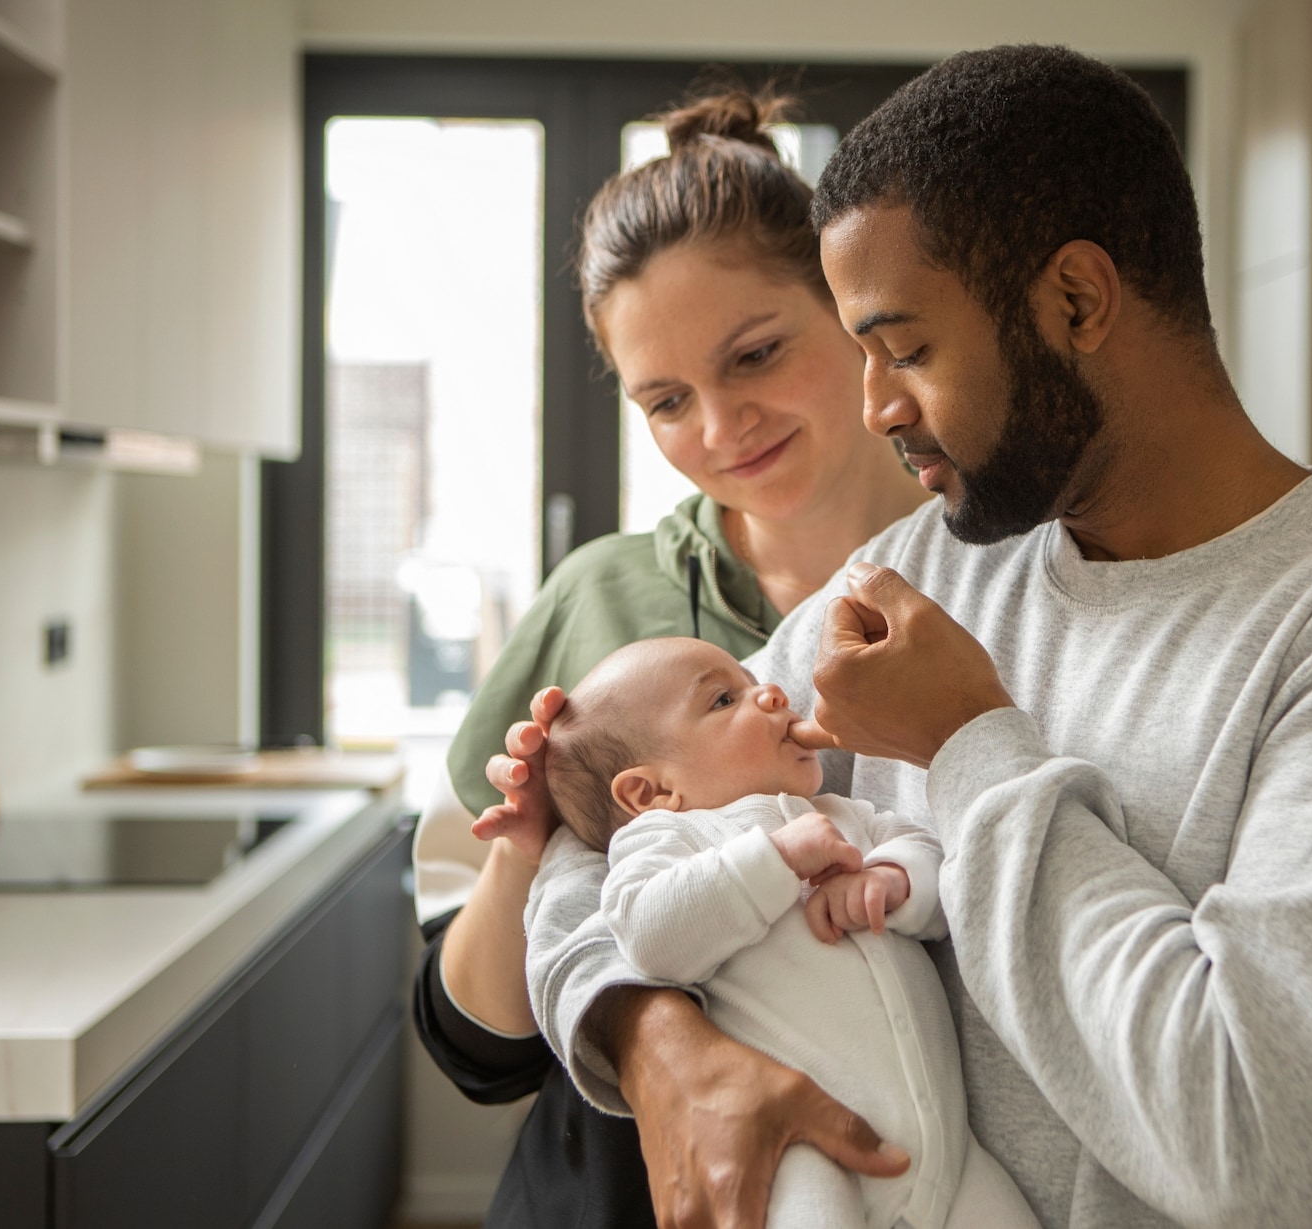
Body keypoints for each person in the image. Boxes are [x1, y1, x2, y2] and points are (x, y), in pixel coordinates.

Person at [494, 45, 1312, 1229]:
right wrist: (650, 1035)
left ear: (1075, 300)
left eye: (904, 347)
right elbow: (619, 824)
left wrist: (969, 741)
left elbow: (1252, 1142)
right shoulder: (926, 572)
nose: (875, 405)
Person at [408, 88, 928, 1228]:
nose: (718, 427)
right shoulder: (599, 602)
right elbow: (478, 1047)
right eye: (665, 400)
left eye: (754, 354)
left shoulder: (992, 581)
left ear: (848, 310)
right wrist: (524, 856)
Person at [502, 636, 1040, 1229]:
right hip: (801, 1145)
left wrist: (893, 879)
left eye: (753, 680)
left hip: (949, 1152)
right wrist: (776, 860)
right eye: (725, 699)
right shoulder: (665, 842)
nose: (772, 693)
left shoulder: (843, 814)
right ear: (651, 793)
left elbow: (944, 873)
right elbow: (650, 934)